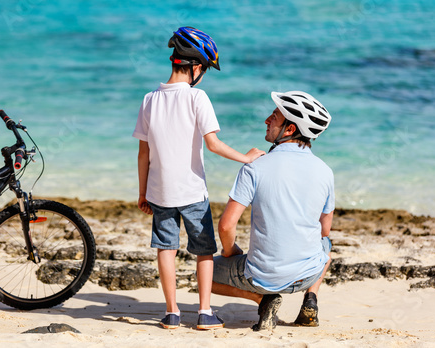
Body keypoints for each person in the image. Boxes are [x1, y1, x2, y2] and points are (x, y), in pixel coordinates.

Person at [133, 26, 265, 330]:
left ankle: (172, 313)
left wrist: (143, 193)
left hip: (159, 192)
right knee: (204, 251)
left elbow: (144, 154)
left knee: (165, 249)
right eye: (204, 69)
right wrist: (247, 157)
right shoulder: (197, 98)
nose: (203, 75)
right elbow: (214, 144)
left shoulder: (149, 100)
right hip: (192, 193)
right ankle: (205, 311)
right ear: (194, 68)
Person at [211, 91, 334, 331]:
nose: (267, 120)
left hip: (260, 278)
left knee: (202, 271)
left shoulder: (255, 167)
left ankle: (263, 299)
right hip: (306, 275)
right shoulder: (325, 171)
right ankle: (311, 298)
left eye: (274, 116)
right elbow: (325, 229)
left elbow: (226, 226)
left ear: (289, 129)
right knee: (326, 245)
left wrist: (230, 250)